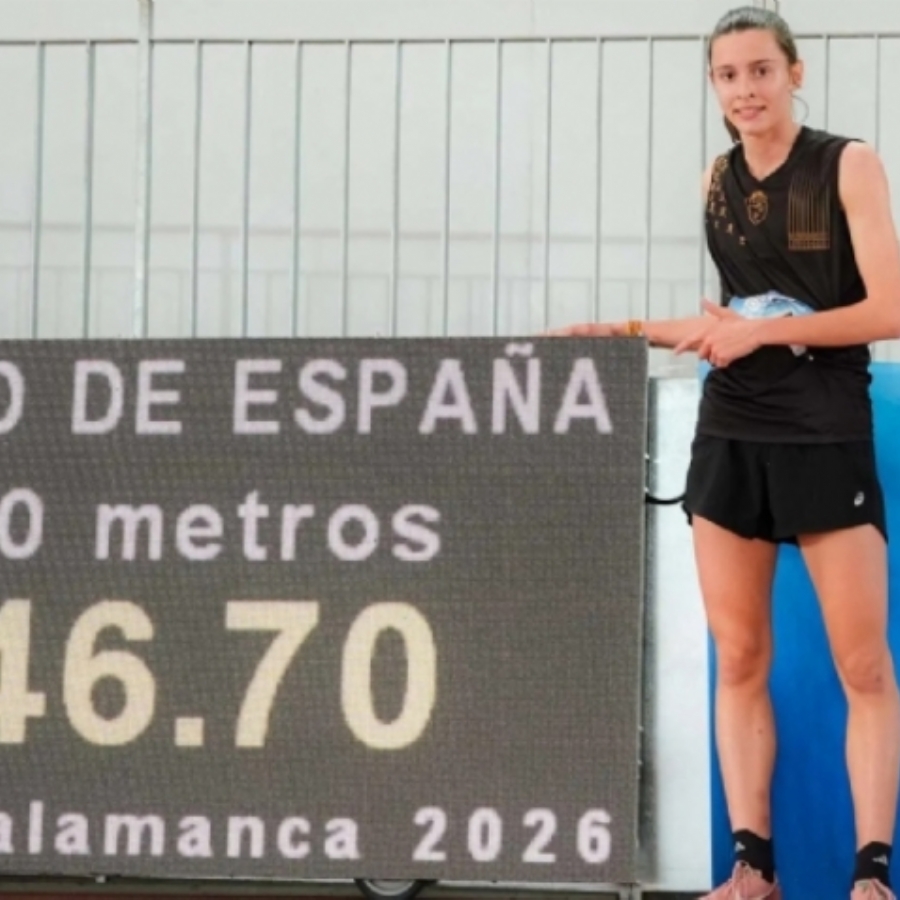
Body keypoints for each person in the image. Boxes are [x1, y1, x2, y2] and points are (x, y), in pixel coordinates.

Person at [549, 6, 900, 899]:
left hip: (824, 433)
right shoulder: (718, 179)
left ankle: (870, 876)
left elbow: (888, 312)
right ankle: (753, 870)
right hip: (731, 434)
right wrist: (624, 330)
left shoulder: (847, 163)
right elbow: (729, 326)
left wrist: (765, 340)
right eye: (726, 75)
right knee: (738, 658)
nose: (744, 89)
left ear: (795, 73)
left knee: (863, 665)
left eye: (759, 71)